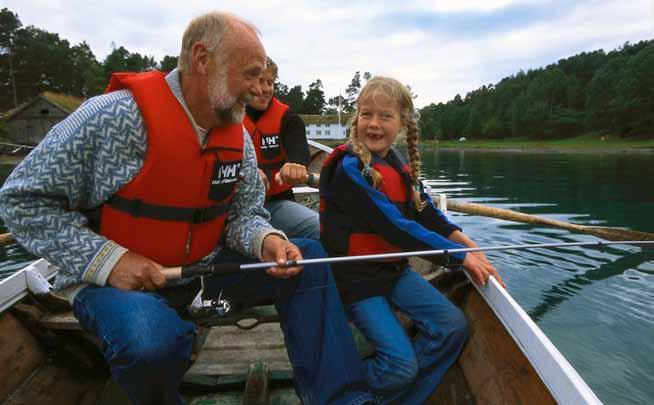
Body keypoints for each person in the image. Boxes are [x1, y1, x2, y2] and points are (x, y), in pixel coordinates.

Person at [0, 12, 374, 405]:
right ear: (201, 58)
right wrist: (111, 261)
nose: (256, 89)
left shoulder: (237, 137)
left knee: (308, 259)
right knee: (150, 340)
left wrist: (266, 240)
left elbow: (242, 215)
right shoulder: (109, 118)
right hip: (109, 284)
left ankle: (341, 397)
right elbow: (20, 201)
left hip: (203, 269)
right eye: (249, 74)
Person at [319, 76, 506, 403]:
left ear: (402, 124)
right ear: (356, 118)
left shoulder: (396, 165)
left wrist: (468, 245)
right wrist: (459, 258)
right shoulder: (350, 168)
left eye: (385, 116)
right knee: (400, 366)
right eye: (366, 114)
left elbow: (426, 213)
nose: (373, 124)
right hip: (356, 279)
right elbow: (394, 227)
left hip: (393, 272)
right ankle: (344, 394)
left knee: (452, 327)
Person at [244, 57, 320, 240]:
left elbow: (300, 154)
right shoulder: (226, 115)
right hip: (231, 208)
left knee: (321, 228)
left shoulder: (288, 119)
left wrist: (296, 166)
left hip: (275, 203)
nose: (265, 89)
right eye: (260, 81)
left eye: (270, 82)